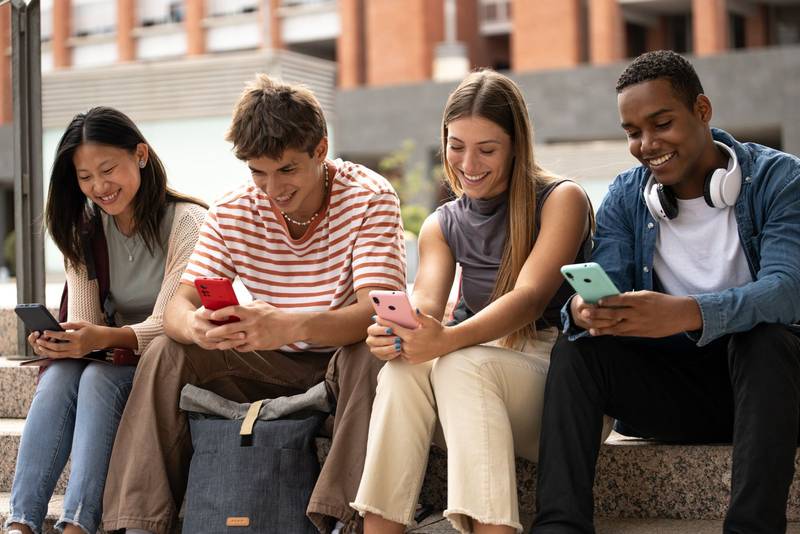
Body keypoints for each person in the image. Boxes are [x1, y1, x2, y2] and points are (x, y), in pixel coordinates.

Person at [101, 74, 406, 534]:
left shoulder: (370, 197)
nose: (272, 188)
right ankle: (138, 524)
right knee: (167, 350)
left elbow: (373, 312)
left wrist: (287, 326)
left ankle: (342, 520)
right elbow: (178, 306)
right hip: (267, 363)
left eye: (287, 170)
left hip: (340, 364)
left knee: (372, 354)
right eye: (257, 171)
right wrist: (199, 327)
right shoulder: (233, 209)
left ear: (320, 151)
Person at [531, 50, 800, 534]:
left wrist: (688, 313)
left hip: (768, 395)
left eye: (661, 124)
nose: (646, 144)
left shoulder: (781, 180)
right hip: (674, 397)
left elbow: (786, 291)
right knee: (577, 351)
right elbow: (602, 283)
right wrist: (585, 308)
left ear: (702, 111)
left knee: (766, 339)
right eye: (633, 132)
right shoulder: (626, 195)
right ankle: (559, 527)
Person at [351, 69, 608, 534]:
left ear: (516, 146)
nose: (468, 163)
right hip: (473, 386)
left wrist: (446, 340)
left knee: (459, 363)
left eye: (487, 149)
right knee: (404, 369)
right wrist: (400, 334)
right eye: (456, 146)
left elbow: (529, 299)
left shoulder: (560, 199)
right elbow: (426, 303)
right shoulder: (441, 224)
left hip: (559, 386)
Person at [4, 107, 207, 534]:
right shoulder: (84, 227)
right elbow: (84, 320)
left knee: (97, 380)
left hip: (171, 360)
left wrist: (100, 337)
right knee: (61, 376)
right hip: (114, 358)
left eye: (108, 169)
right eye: (84, 177)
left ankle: (78, 524)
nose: (99, 186)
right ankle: (21, 522)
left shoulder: (189, 222)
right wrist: (67, 340)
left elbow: (171, 324)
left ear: (141, 155)